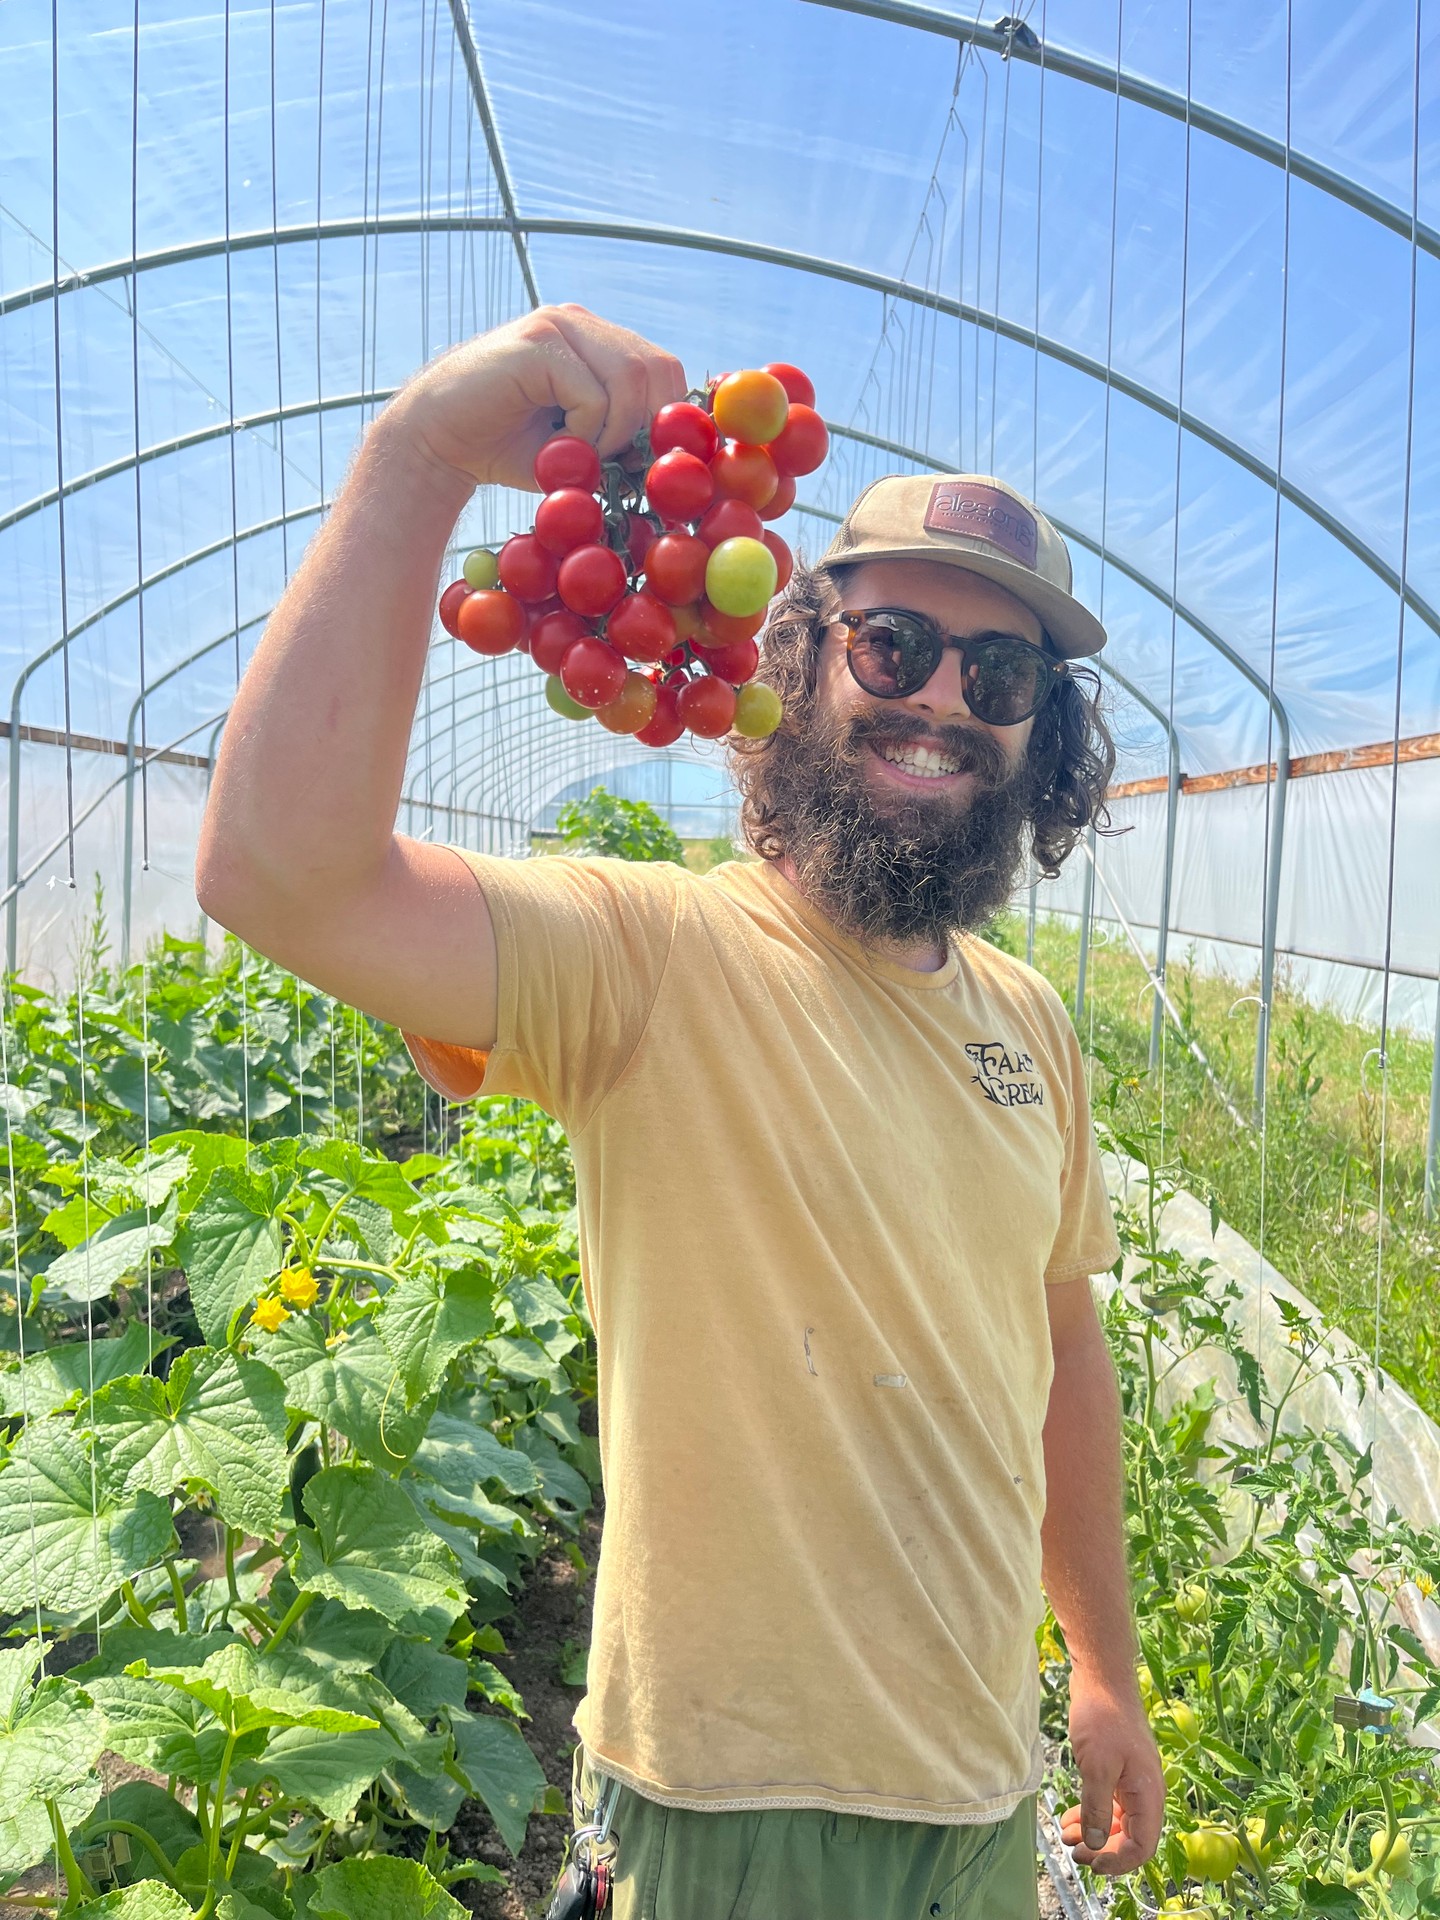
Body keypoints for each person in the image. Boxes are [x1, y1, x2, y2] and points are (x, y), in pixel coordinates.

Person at [196, 305, 1165, 1918]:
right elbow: (279, 875)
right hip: (728, 1820)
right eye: (894, 648)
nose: (944, 700)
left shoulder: (1032, 1026)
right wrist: (422, 453)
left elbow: (1060, 1350)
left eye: (1000, 672)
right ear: (799, 660)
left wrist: (1106, 1667)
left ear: (1038, 729)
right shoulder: (648, 953)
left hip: (986, 1801)